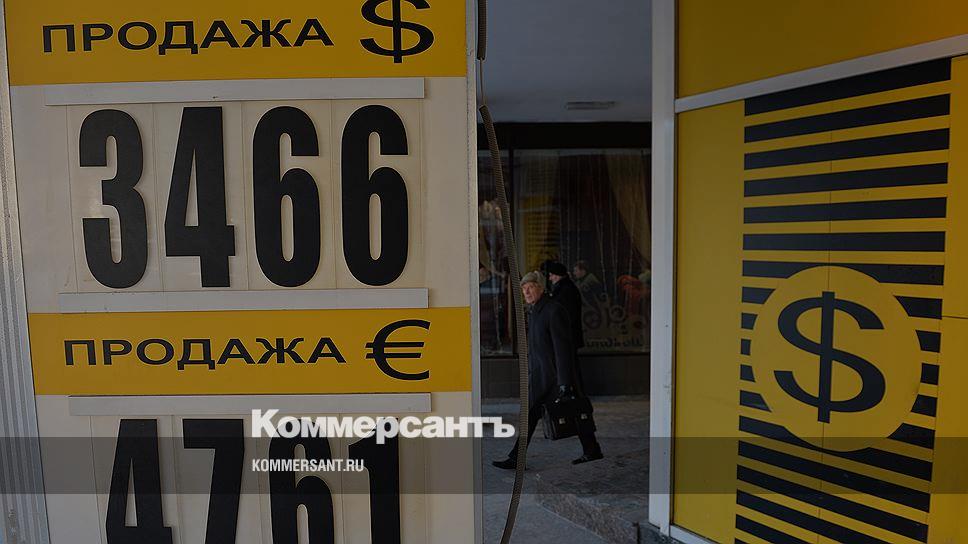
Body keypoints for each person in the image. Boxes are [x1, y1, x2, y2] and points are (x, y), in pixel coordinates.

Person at [492, 271, 603, 470]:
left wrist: (564, 382)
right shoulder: (536, 310)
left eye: (530, 287)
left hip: (554, 378)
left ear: (541, 288)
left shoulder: (553, 310)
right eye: (524, 288)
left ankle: (592, 449)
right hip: (541, 376)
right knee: (535, 416)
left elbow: (563, 349)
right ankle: (518, 457)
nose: (526, 292)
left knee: (574, 411)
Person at [541, 260, 584, 350]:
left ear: (557, 275)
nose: (550, 278)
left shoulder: (564, 290)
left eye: (551, 275)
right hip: (567, 336)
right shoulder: (565, 287)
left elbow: (562, 313)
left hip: (566, 336)